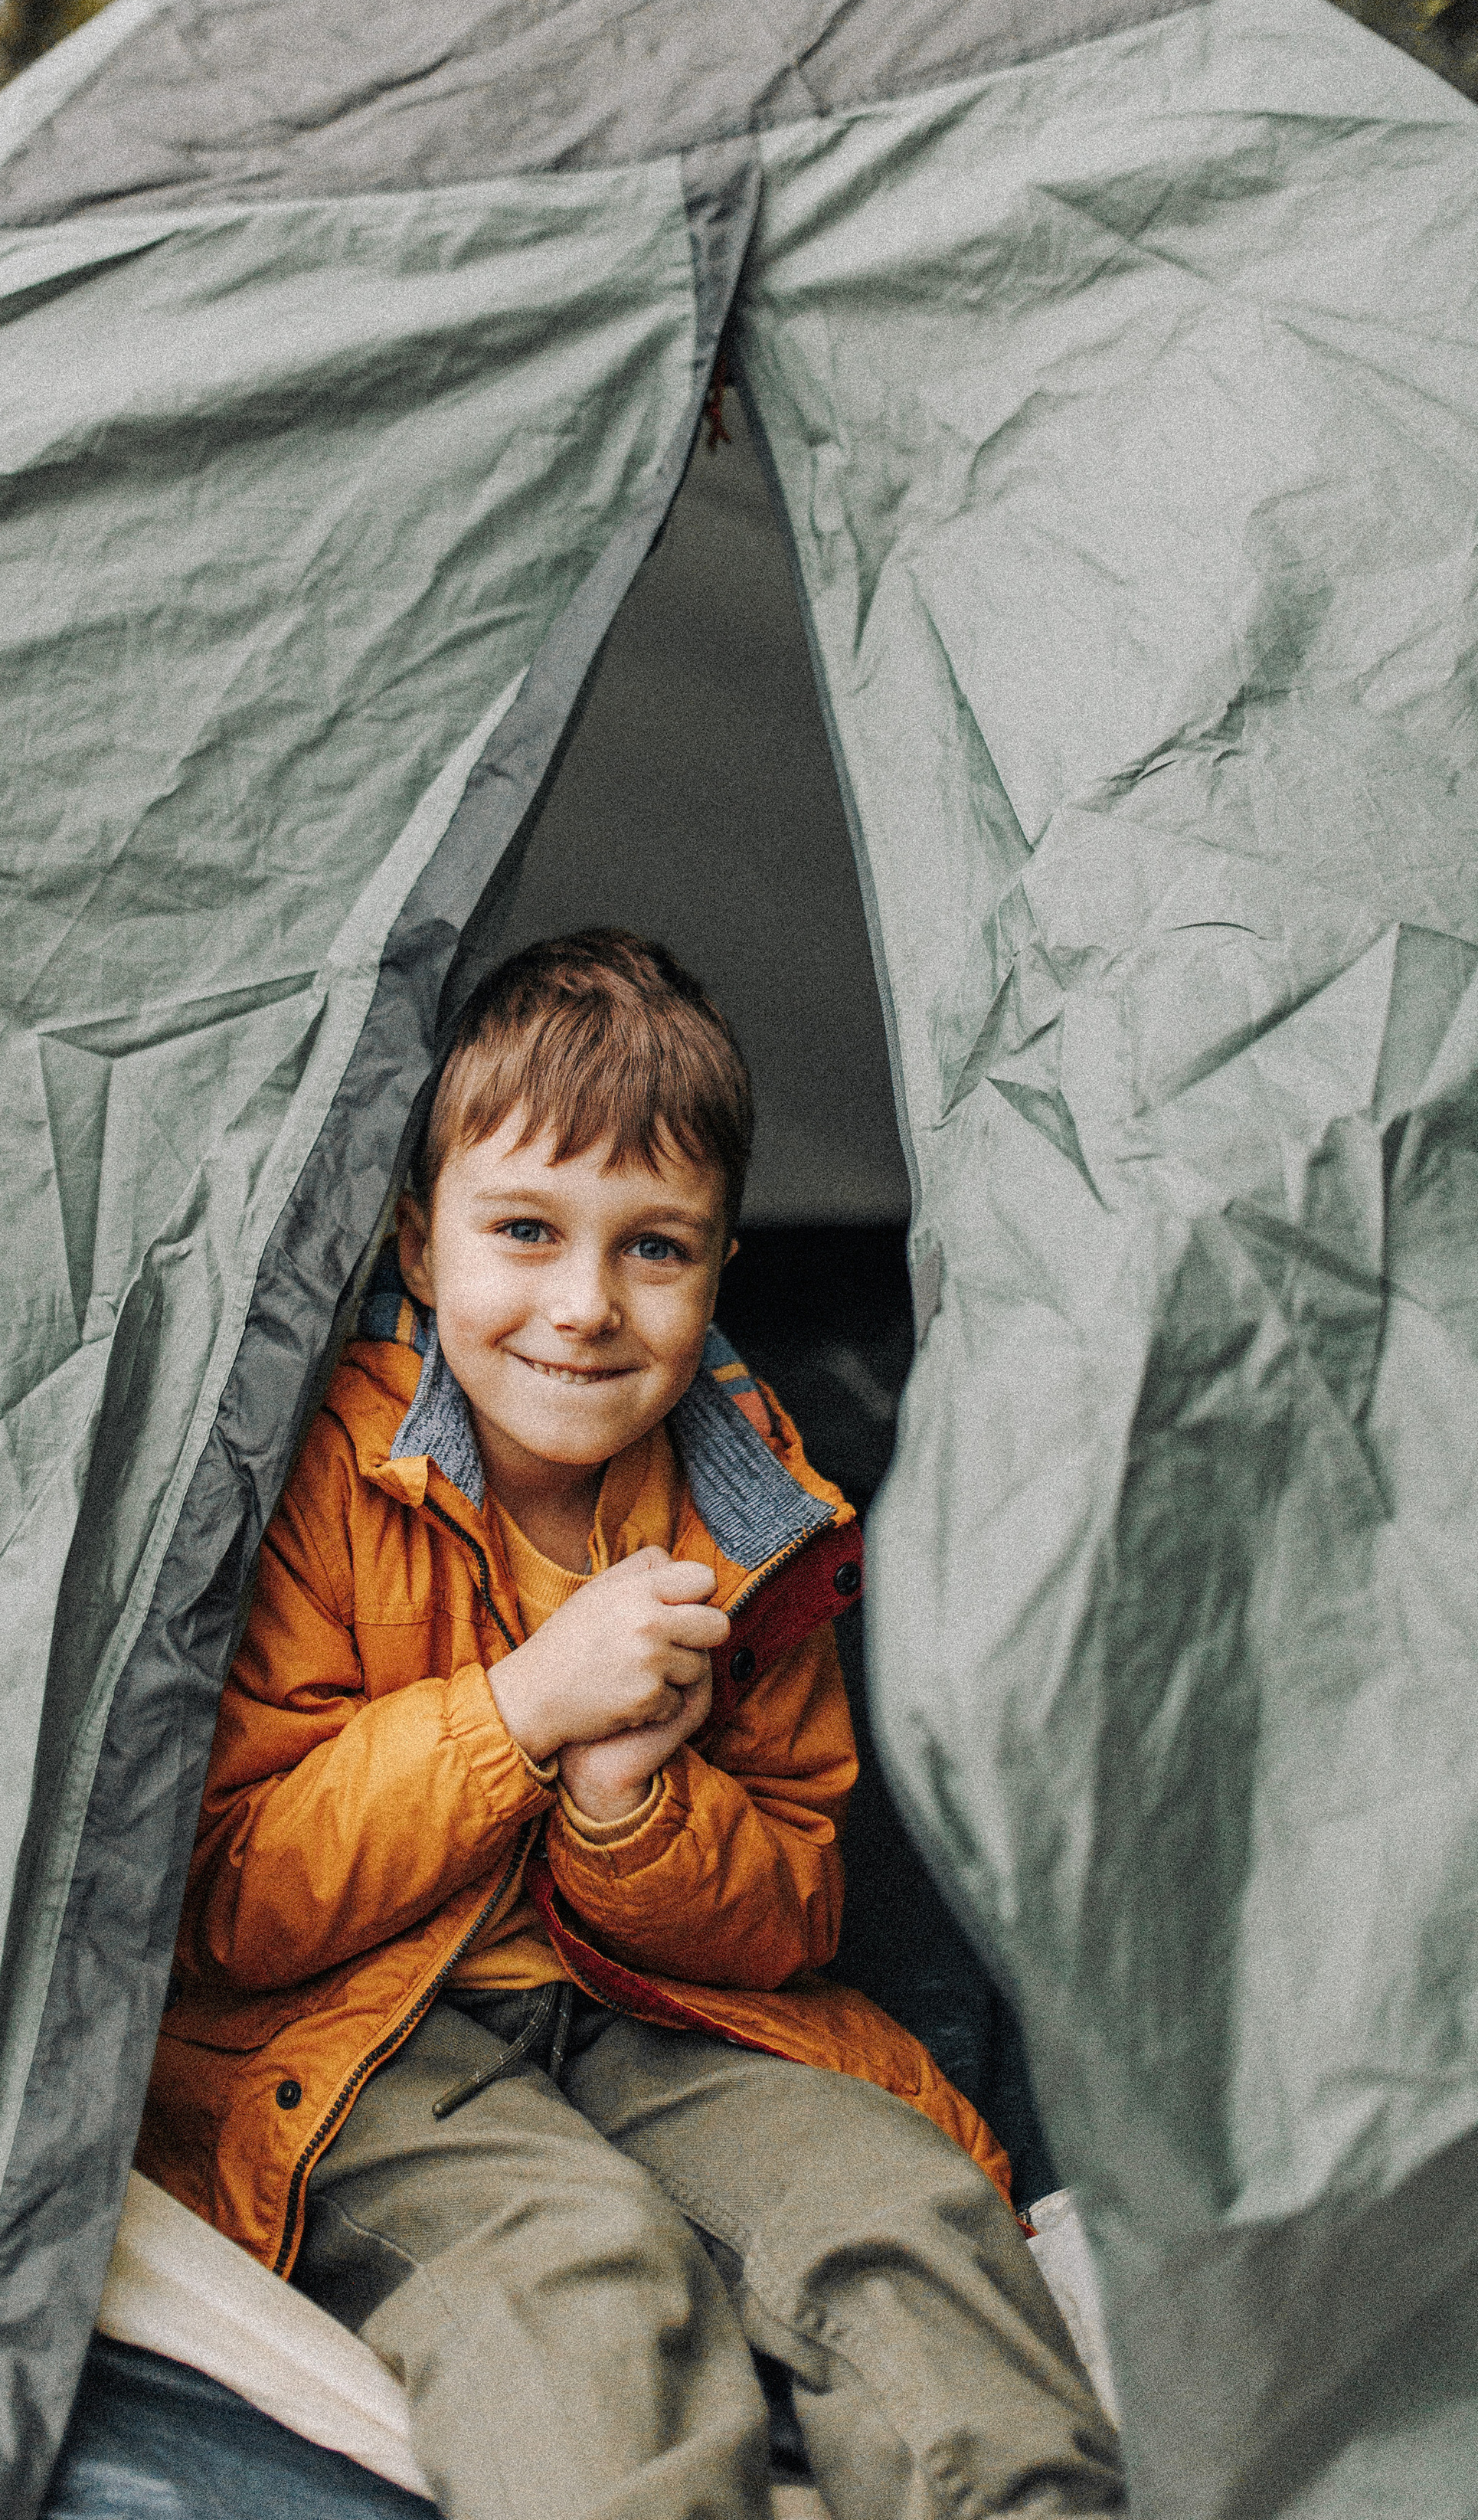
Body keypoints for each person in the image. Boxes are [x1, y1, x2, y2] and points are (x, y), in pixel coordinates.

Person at [139, 930, 1125, 2520]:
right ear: (417, 1238)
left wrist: (625, 1808)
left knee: (892, 2215)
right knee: (577, 2268)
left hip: (659, 2013)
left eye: (652, 1249)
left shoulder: (751, 1507)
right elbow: (231, 1904)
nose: (581, 1308)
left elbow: (793, 1904)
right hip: (357, 2043)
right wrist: (516, 1717)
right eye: (522, 1232)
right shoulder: (324, 1477)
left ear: (725, 1266)